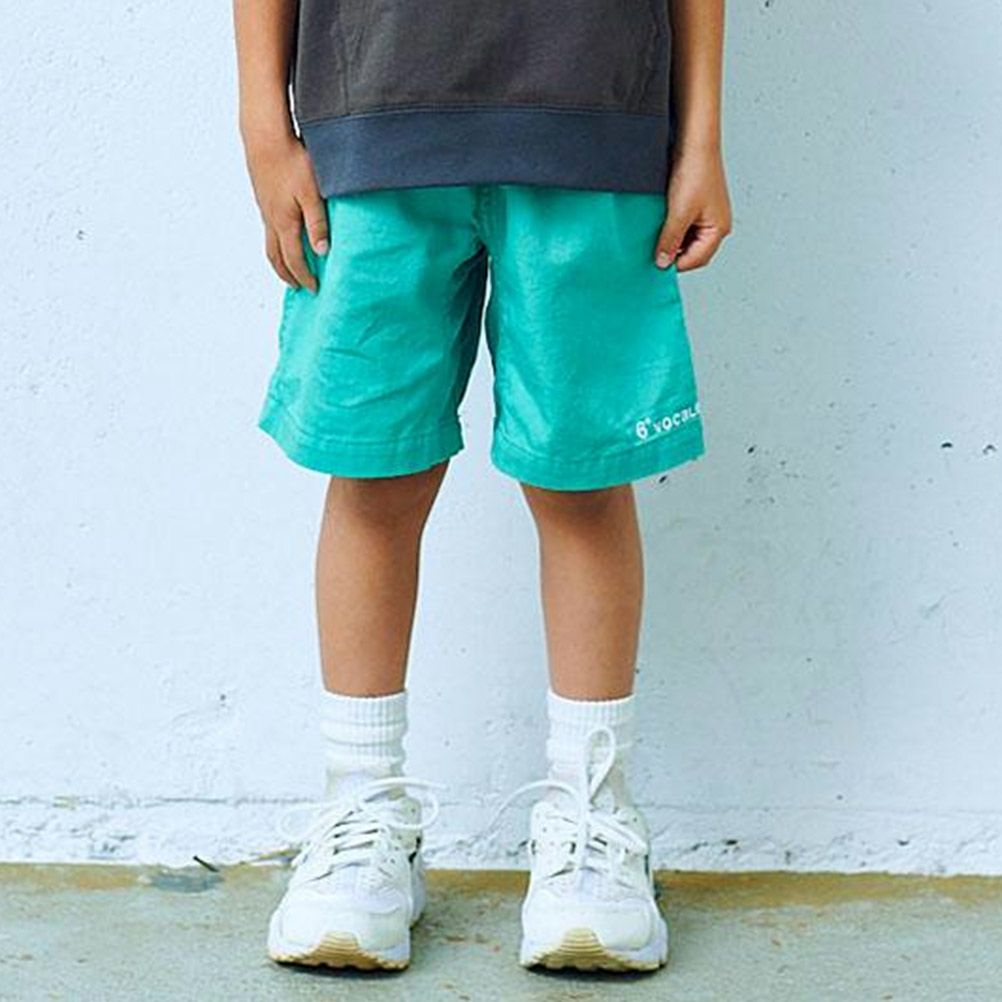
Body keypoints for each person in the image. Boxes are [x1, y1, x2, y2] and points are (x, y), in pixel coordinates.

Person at [233, 0, 730, 974]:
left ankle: (591, 820)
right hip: (368, 126)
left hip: (595, 120)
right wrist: (263, 122)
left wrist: (701, 132)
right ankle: (361, 810)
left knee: (582, 482)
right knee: (373, 473)